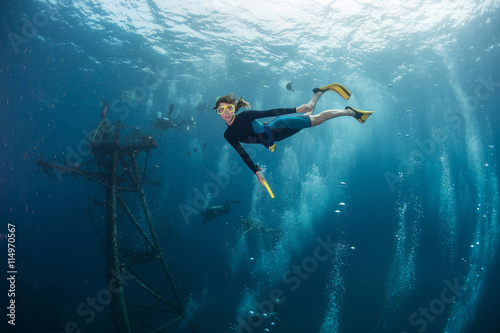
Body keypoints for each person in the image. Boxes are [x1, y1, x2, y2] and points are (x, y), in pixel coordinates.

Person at [214, 83, 374, 188]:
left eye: (228, 108)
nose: (226, 113)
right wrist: (256, 171)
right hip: (276, 137)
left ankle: (351, 112)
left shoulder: (245, 116)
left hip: (278, 125)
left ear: (234, 108)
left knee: (317, 119)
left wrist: (295, 109)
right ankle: (318, 93)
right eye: (222, 110)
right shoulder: (228, 135)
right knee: (310, 112)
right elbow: (242, 153)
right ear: (218, 113)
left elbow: (270, 112)